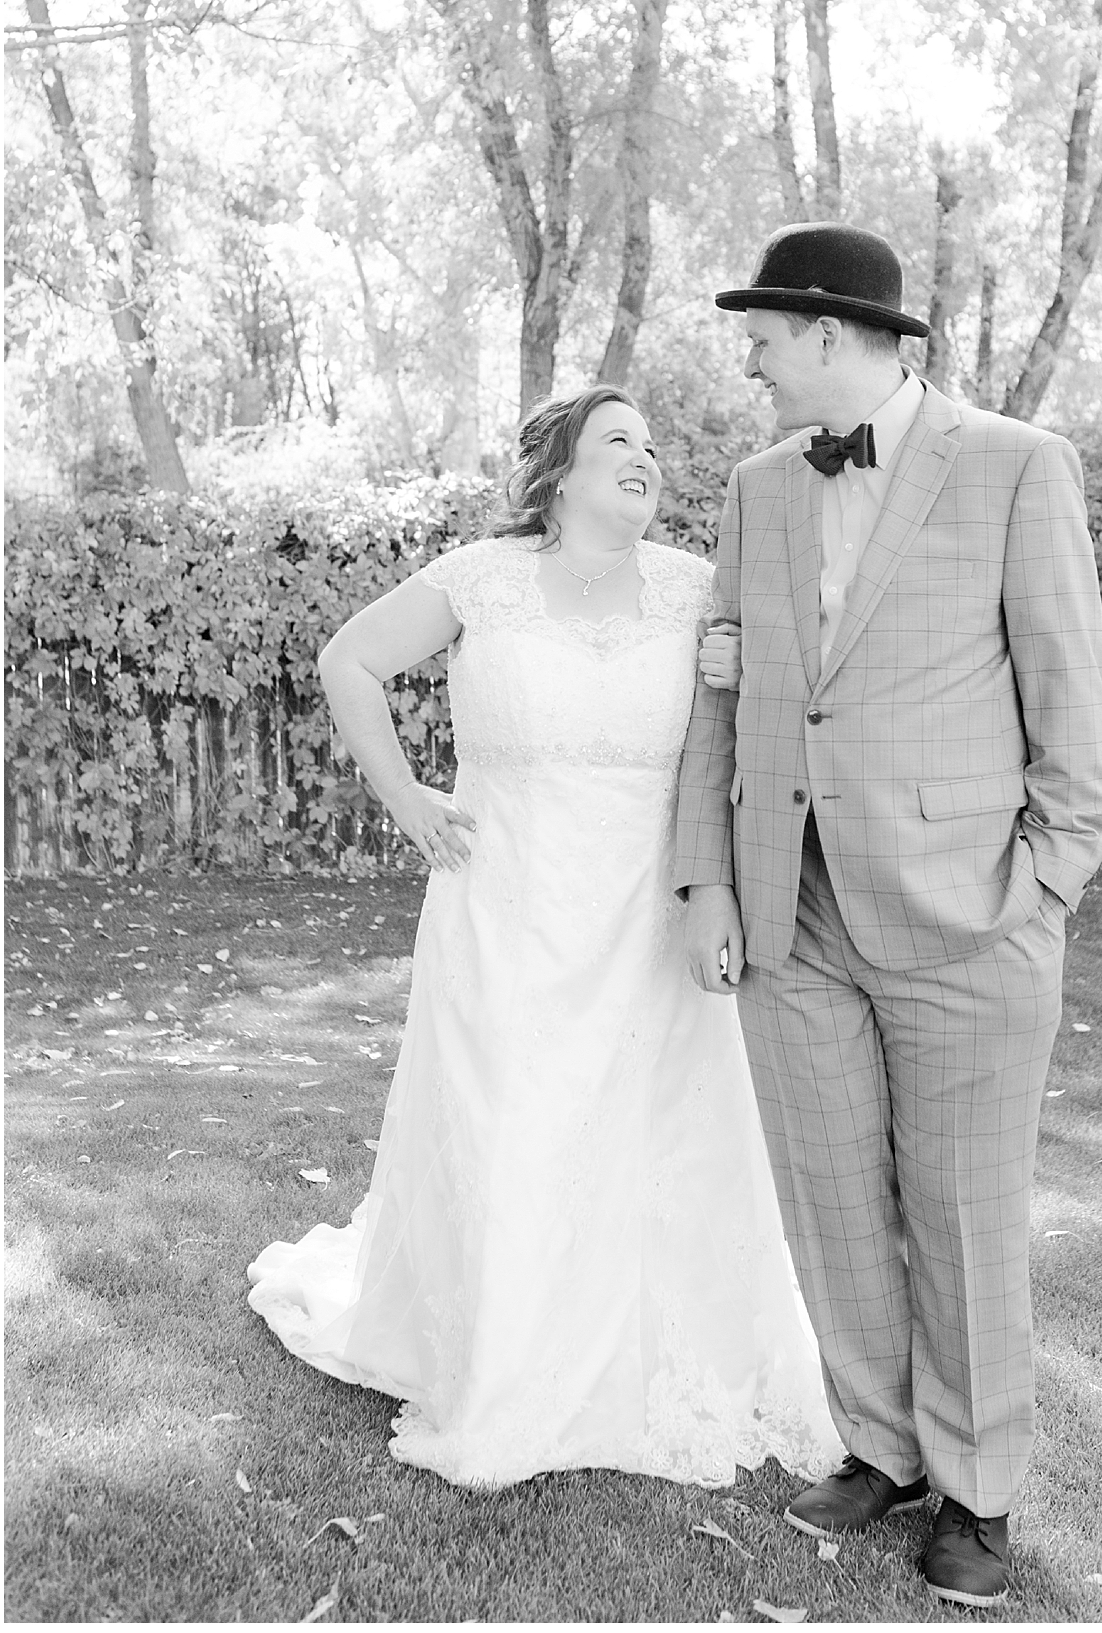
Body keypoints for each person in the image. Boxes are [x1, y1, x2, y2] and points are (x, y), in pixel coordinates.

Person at [247, 384, 840, 1491]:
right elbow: (348, 661)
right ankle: (507, 1363)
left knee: (651, 1131)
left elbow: (767, 715)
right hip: (507, 911)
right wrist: (406, 798)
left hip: (648, 913)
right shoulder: (479, 579)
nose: (645, 458)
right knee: (514, 1125)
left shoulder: (695, 591)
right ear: (559, 471)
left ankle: (662, 1351)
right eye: (618, 440)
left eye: (654, 444)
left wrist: (743, 673)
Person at [676, 221, 1102, 1608]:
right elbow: (727, 695)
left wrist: (1040, 892)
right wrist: (706, 879)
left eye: (762, 343)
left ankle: (978, 1493)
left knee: (965, 1212)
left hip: (966, 923)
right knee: (830, 1204)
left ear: (824, 338)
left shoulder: (1014, 467)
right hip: (787, 914)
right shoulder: (756, 488)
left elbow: (1068, 710)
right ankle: (879, 1445)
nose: (751, 367)